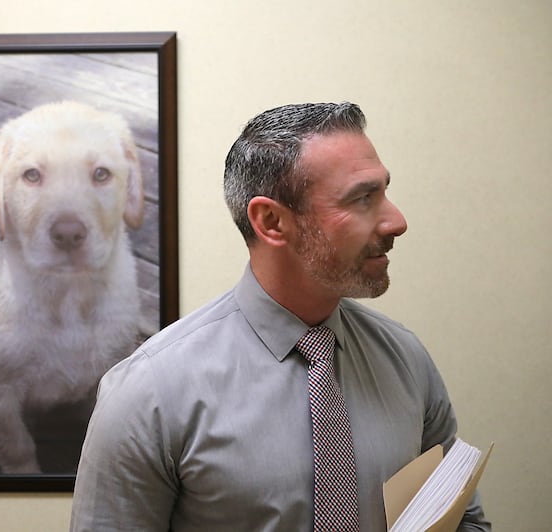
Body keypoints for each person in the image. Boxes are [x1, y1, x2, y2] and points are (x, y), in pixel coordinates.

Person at [69, 102, 490, 531]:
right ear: (271, 221)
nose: (396, 221)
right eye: (362, 198)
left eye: (383, 191)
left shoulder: (406, 360)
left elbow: (463, 520)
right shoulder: (151, 391)